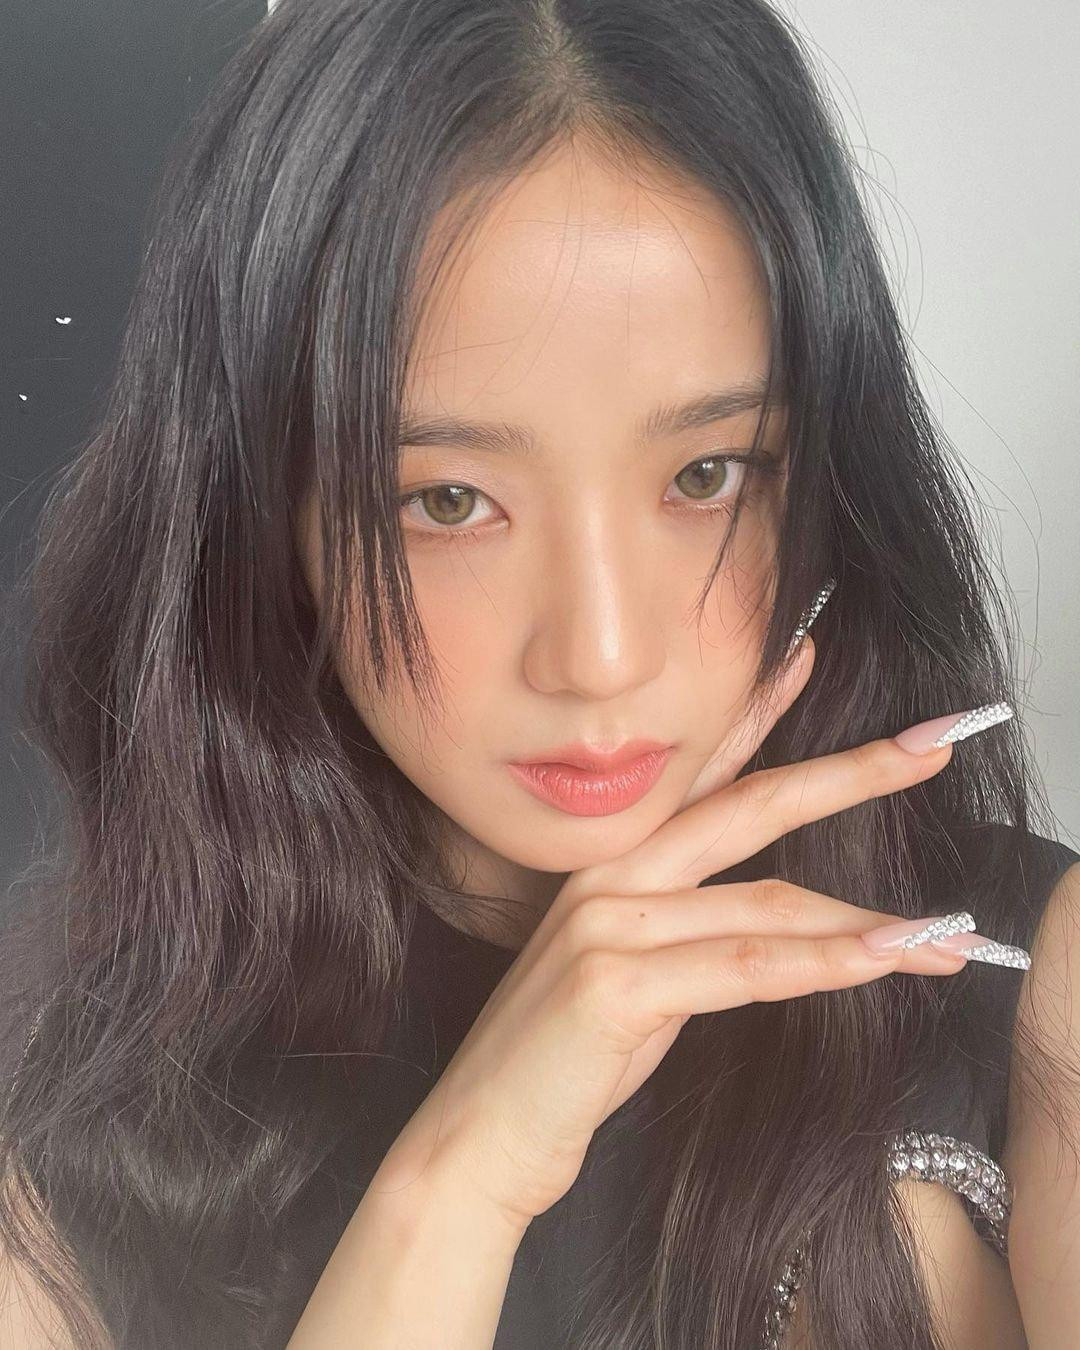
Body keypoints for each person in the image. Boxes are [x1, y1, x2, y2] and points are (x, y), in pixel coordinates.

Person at [1, 0, 1077, 1346]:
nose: (601, 655)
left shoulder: (1034, 976)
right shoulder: (68, 1135)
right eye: (448, 501)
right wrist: (458, 1185)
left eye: (707, 475)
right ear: (261, 513)